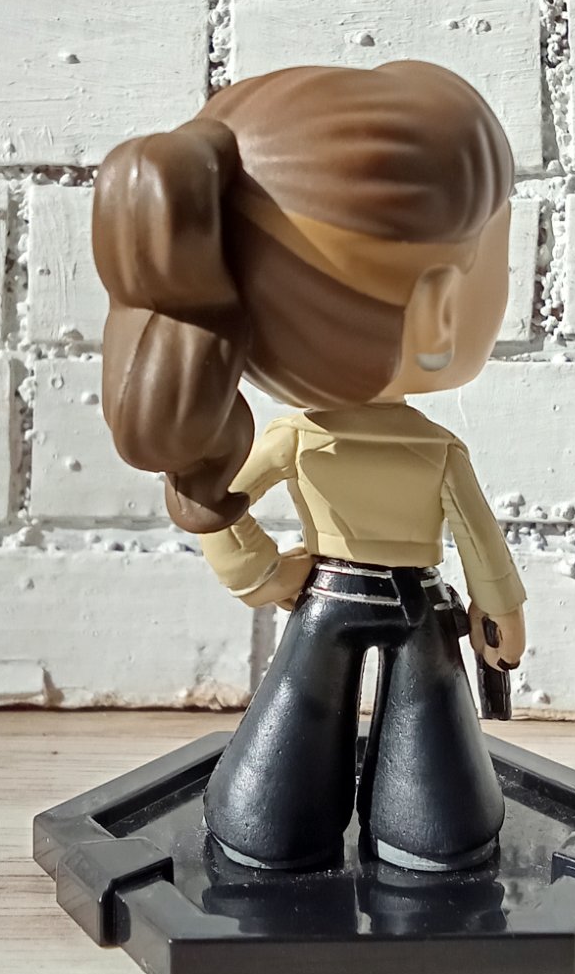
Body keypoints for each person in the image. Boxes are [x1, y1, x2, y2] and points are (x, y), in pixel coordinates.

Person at [91, 60, 527, 874]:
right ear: (438, 311)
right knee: (432, 751)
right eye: (498, 255)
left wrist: (262, 573)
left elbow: (218, 496)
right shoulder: (439, 453)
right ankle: (430, 831)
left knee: (292, 722)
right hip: (417, 605)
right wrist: (500, 614)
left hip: (324, 596)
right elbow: (480, 546)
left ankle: (267, 826)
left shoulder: (297, 438)